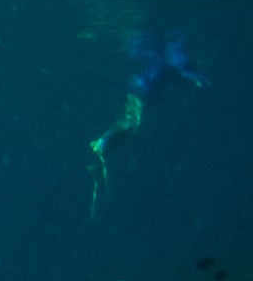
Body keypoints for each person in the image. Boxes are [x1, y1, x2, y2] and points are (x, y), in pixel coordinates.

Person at [88, 32, 206, 216]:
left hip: (136, 89)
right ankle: (102, 143)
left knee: (130, 123)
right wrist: (199, 78)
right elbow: (182, 71)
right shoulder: (175, 65)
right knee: (132, 122)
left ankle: (103, 149)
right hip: (141, 91)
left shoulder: (171, 68)